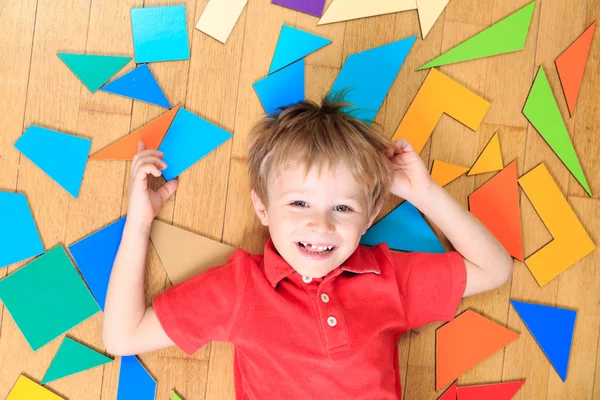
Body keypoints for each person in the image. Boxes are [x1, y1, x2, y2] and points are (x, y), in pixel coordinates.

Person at [102, 98, 513, 399]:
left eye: (343, 207)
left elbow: (494, 269)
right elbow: (123, 337)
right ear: (262, 207)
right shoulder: (243, 287)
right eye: (299, 203)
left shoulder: (387, 278)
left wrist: (423, 193)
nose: (322, 224)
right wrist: (139, 223)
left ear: (369, 218)